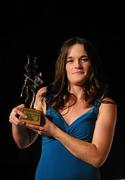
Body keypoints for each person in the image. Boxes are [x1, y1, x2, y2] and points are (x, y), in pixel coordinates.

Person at [9, 37, 117, 180]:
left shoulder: (105, 105)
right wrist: (16, 123)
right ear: (63, 65)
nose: (77, 65)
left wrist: (54, 131)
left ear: (92, 64)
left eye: (84, 59)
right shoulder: (44, 95)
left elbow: (97, 157)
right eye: (70, 60)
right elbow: (24, 142)